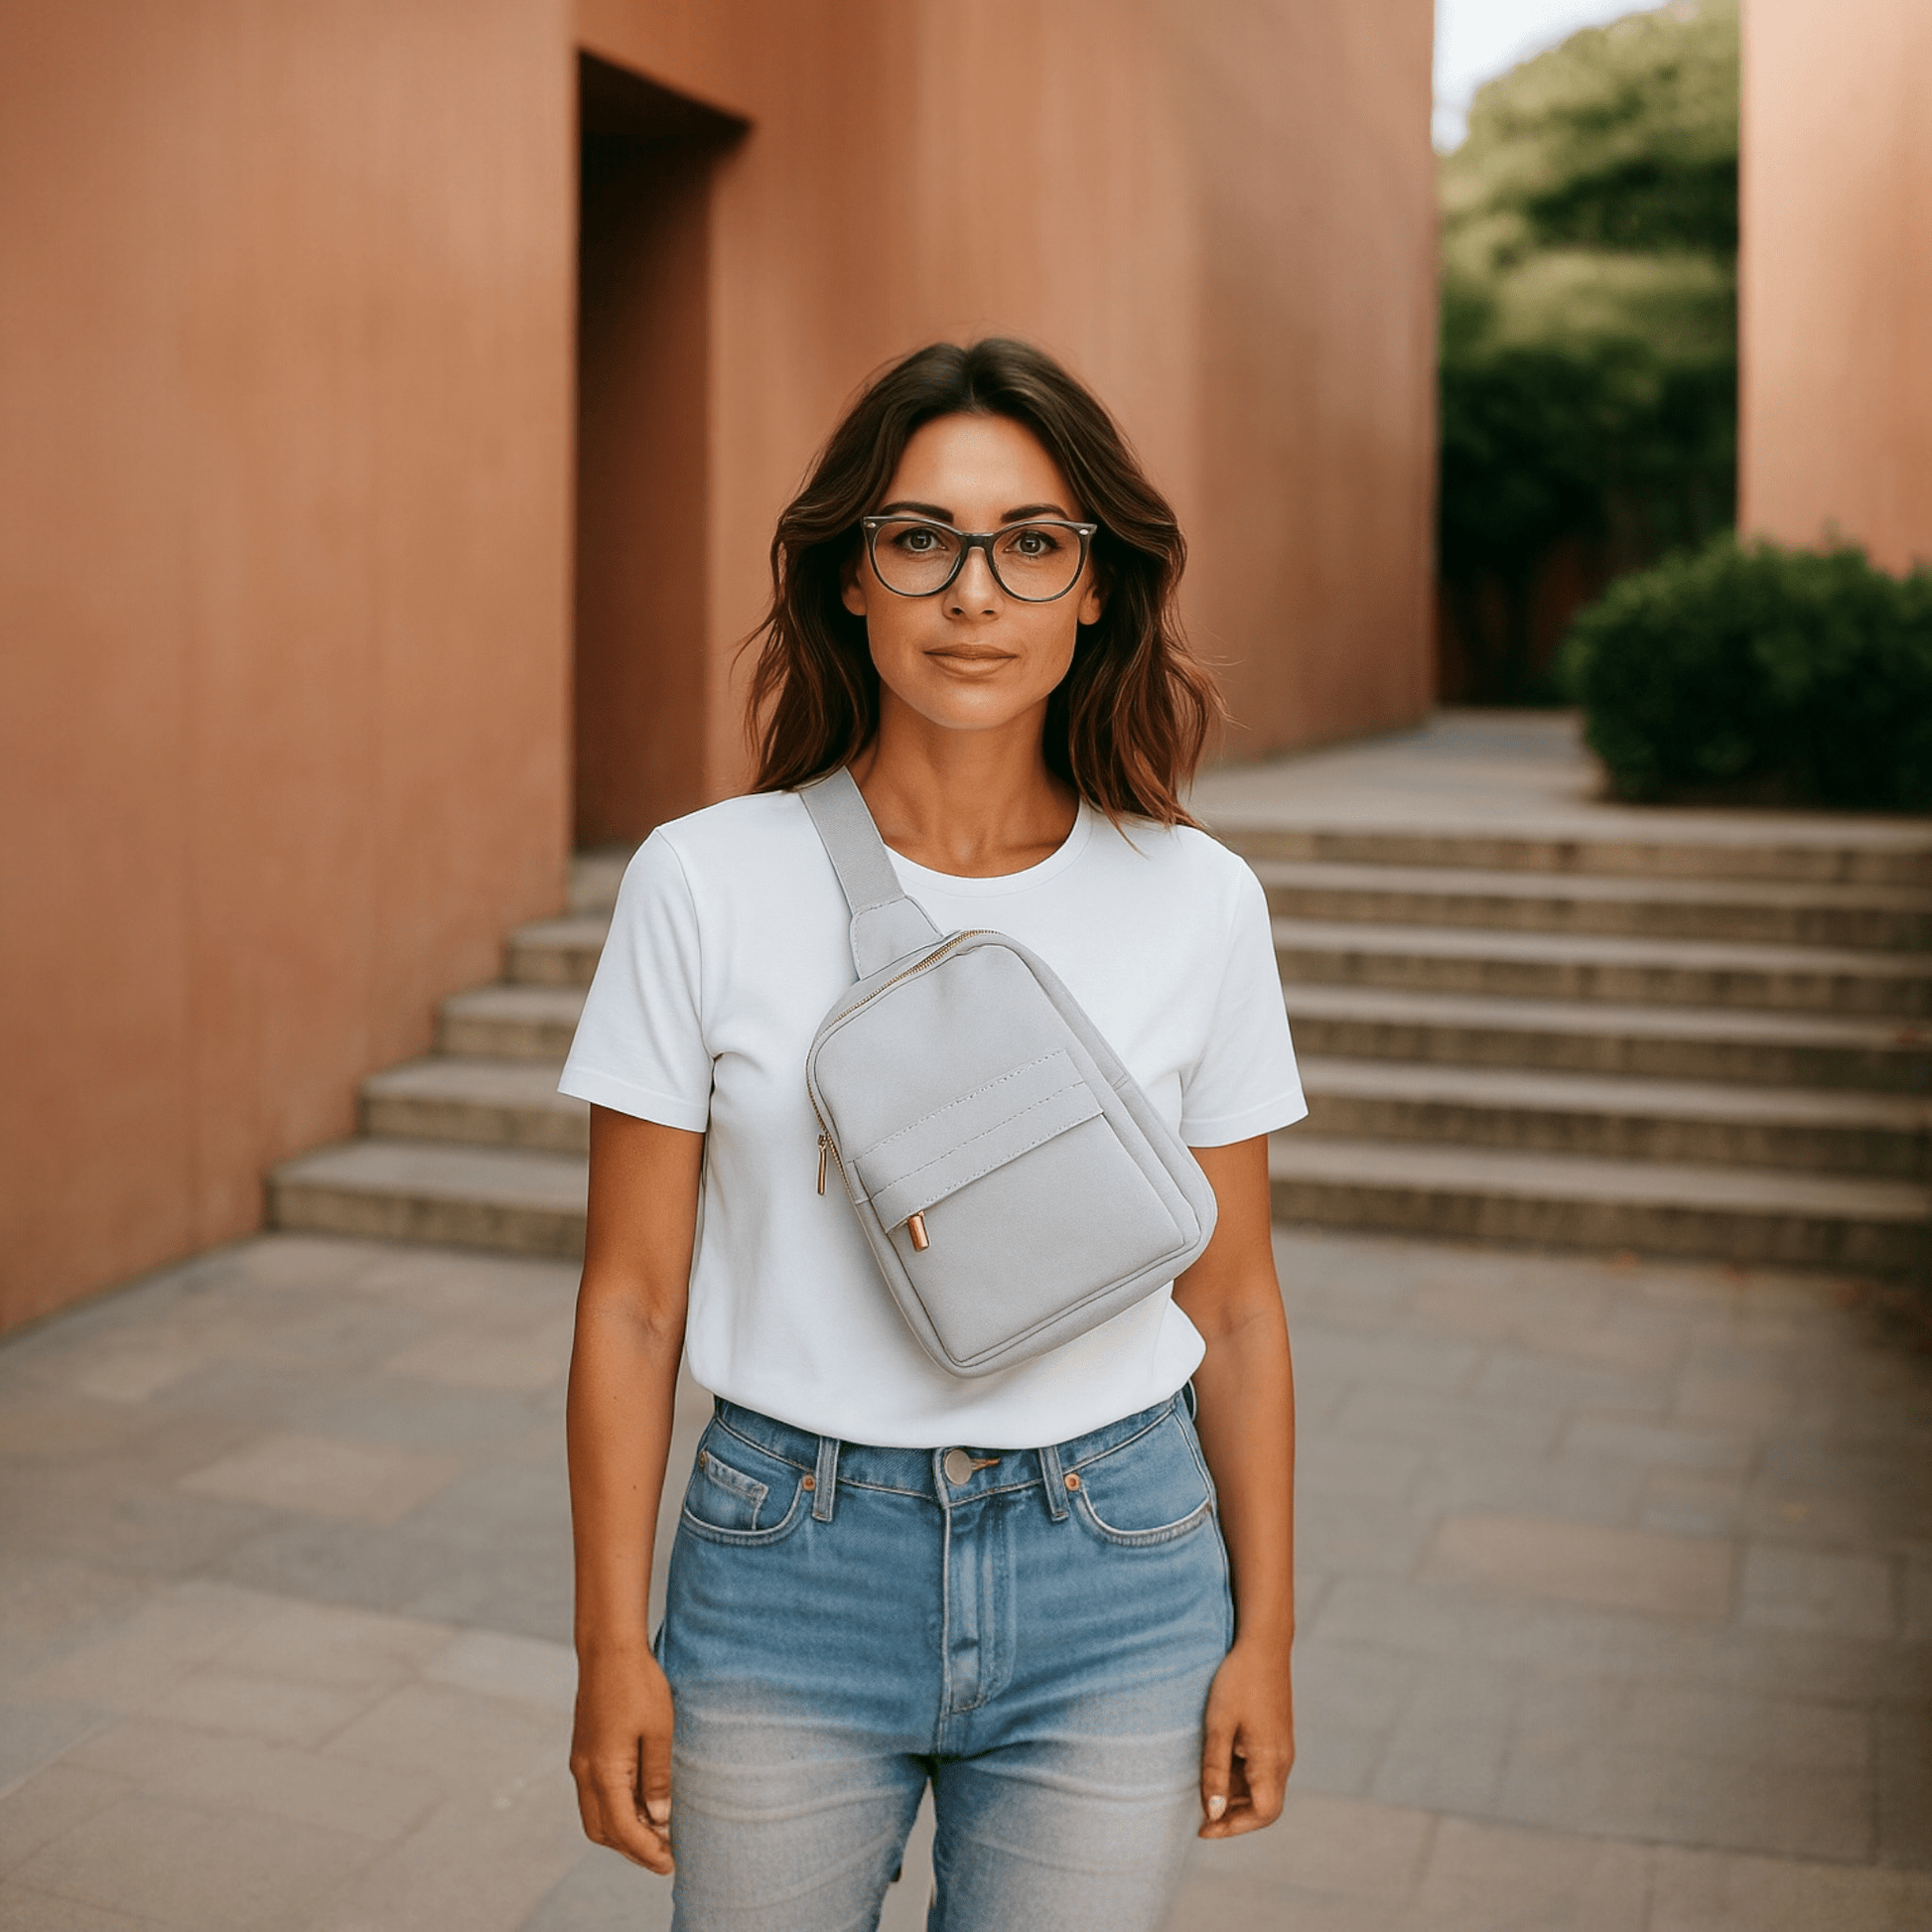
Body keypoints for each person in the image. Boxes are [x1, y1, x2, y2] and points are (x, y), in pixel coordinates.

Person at [561, 338, 1305, 1931]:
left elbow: (1232, 1302)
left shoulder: (1199, 900)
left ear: (1096, 587)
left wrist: (1267, 1634)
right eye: (922, 538)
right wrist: (607, 1643)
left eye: (1032, 543)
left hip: (1120, 1566)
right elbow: (631, 1302)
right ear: (851, 576)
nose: (976, 591)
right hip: (782, 1567)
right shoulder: (701, 880)